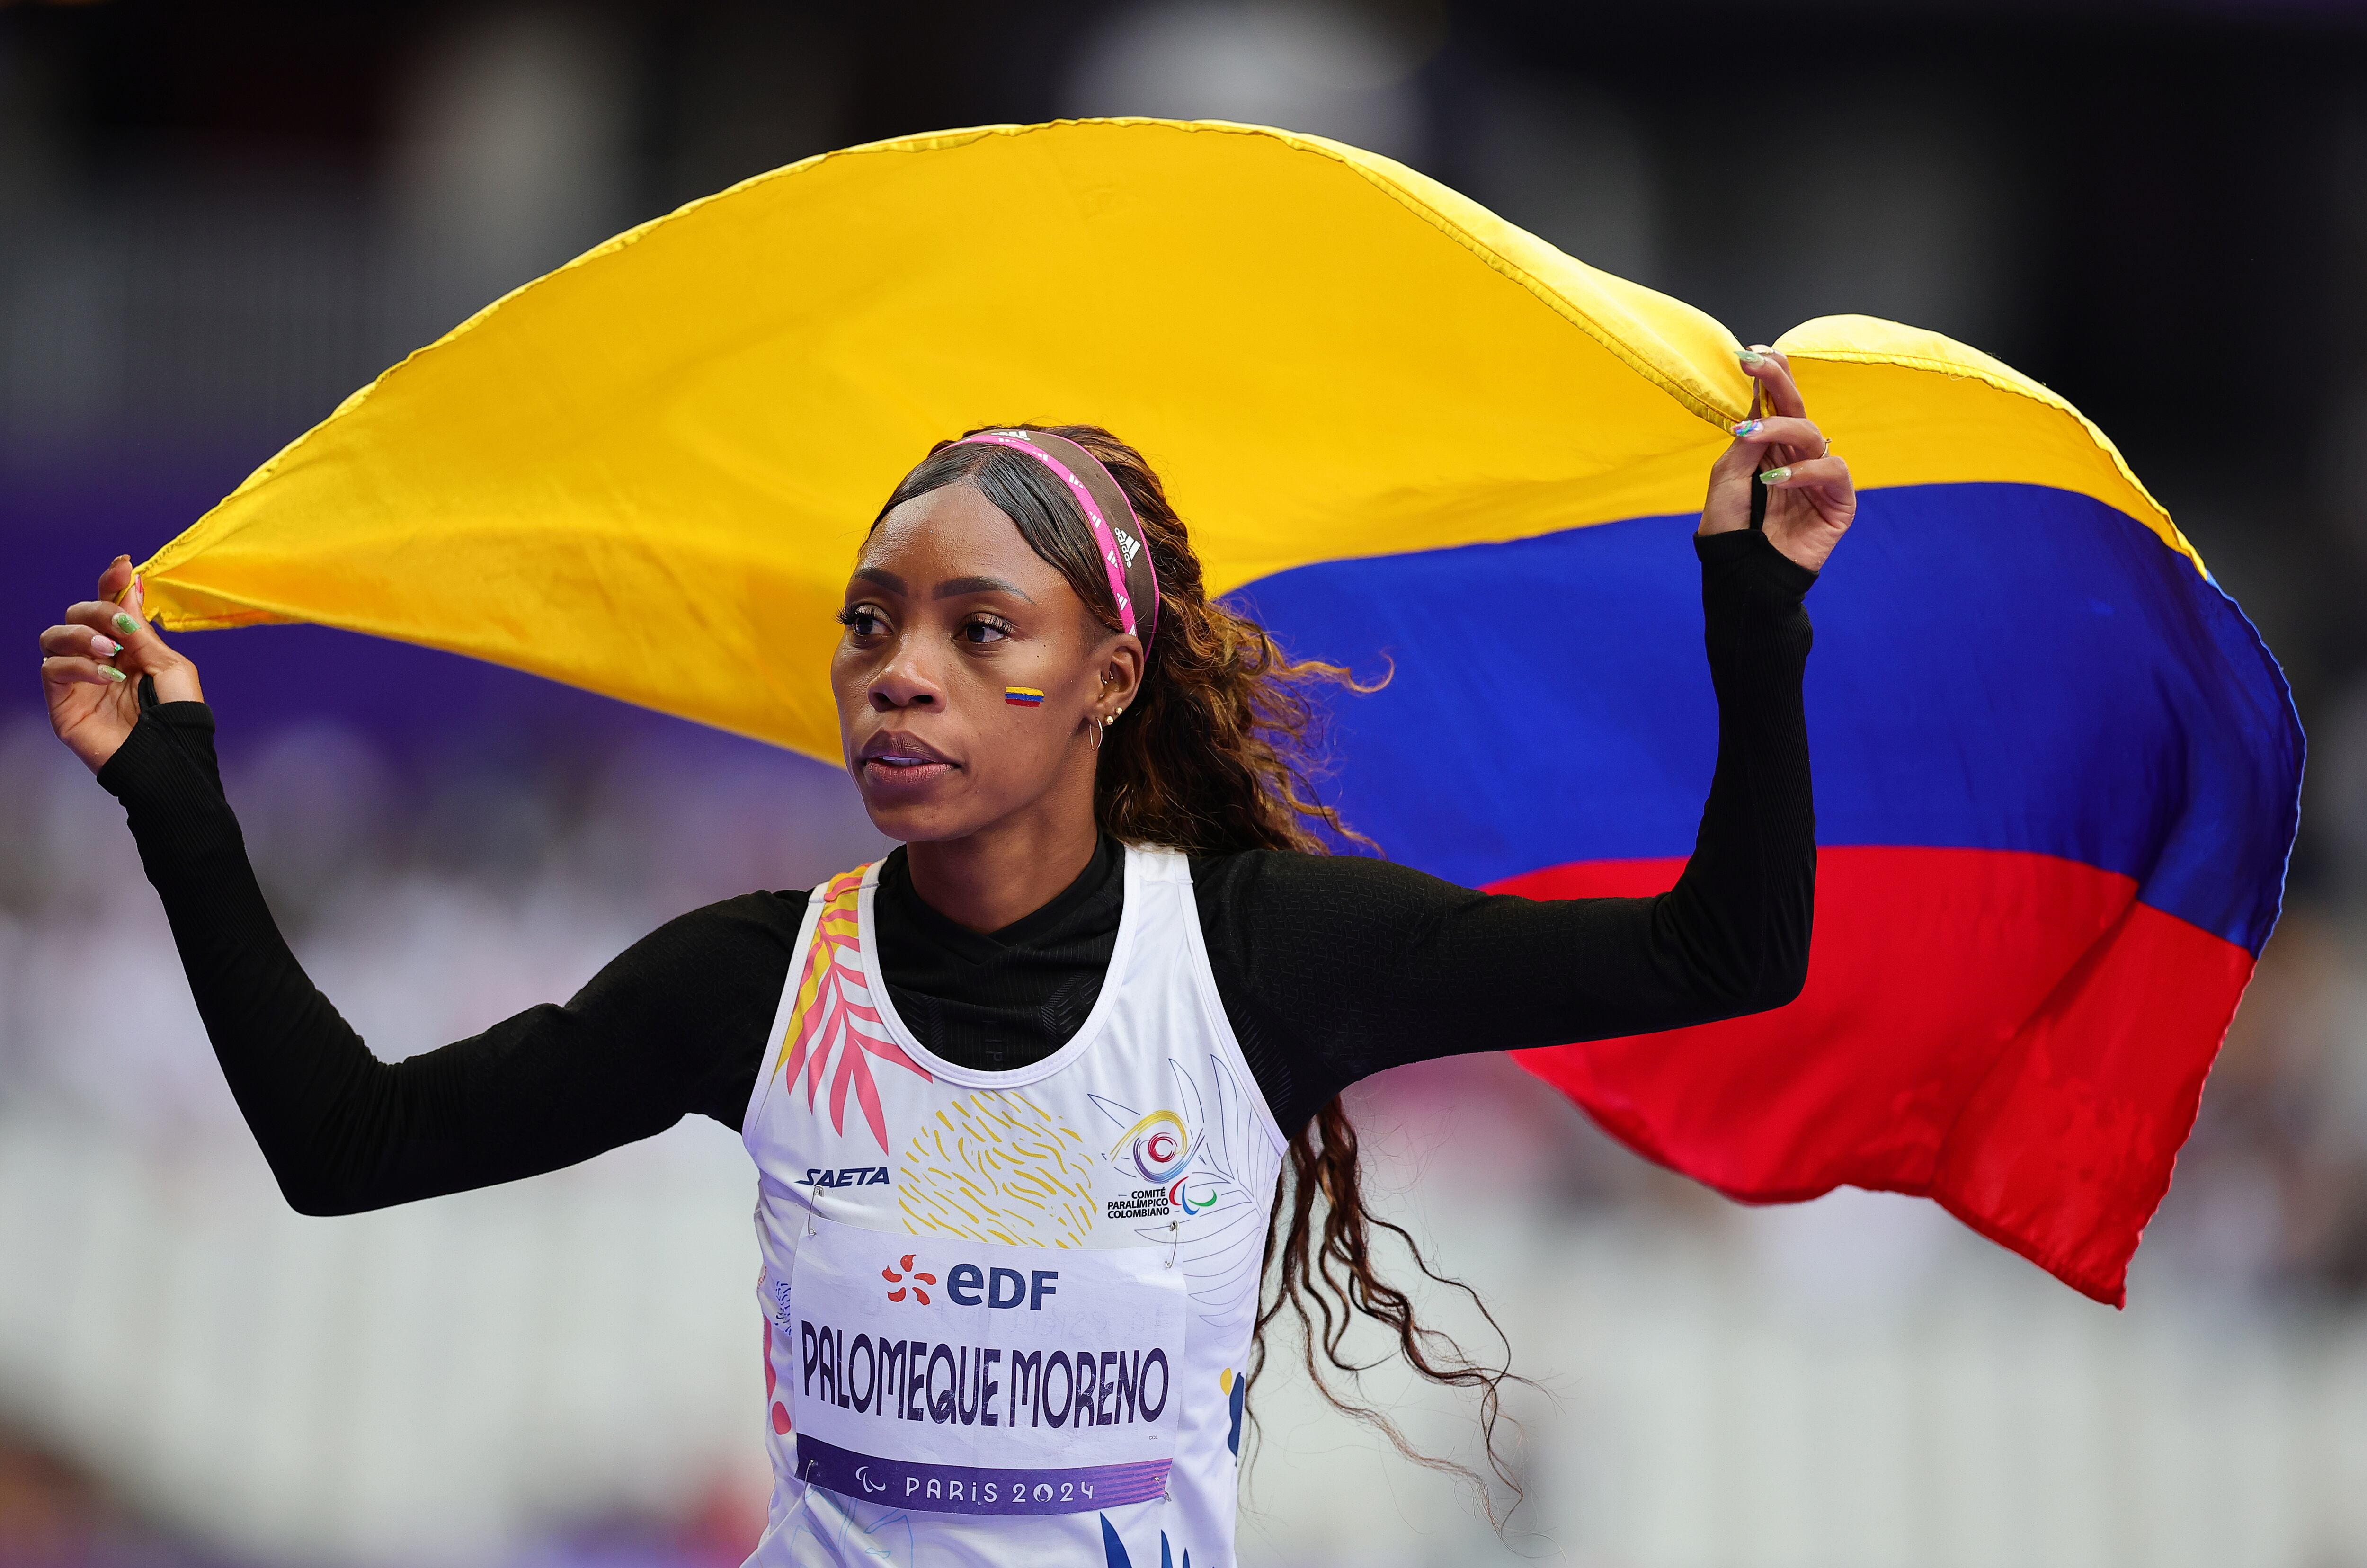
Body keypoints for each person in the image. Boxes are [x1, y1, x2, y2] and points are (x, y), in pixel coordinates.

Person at [39, 349, 1852, 1568]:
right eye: (872, 623)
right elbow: (344, 1148)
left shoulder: (1254, 960)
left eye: (981, 629)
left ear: (1110, 682)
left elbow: (1730, 952)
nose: (898, 670)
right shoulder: (754, 984)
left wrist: (1756, 607)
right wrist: (171, 796)